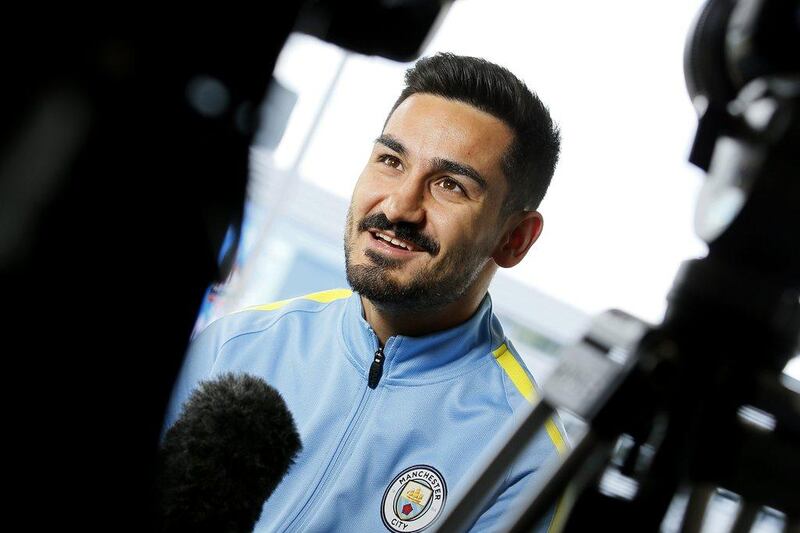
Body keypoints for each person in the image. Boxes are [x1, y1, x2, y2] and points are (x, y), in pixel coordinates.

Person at [164, 52, 567, 532]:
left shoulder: (525, 459)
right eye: (391, 161)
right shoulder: (238, 345)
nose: (399, 206)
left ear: (514, 238)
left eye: (450, 185)